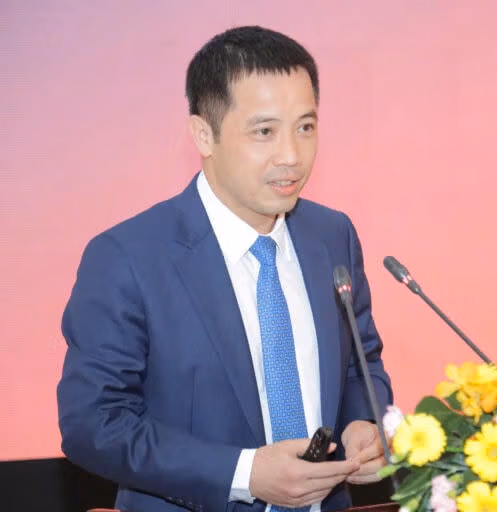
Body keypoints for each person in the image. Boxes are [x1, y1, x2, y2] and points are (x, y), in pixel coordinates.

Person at [57, 25, 394, 512]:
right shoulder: (128, 257)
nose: (292, 156)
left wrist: (365, 423)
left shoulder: (331, 235)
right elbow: (94, 424)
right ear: (204, 134)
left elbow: (362, 363)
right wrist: (244, 474)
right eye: (264, 132)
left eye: (305, 127)